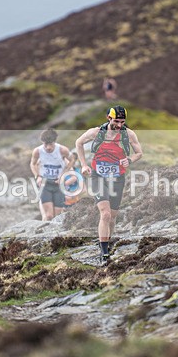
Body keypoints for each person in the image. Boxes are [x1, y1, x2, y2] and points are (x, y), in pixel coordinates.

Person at [75, 105, 143, 265]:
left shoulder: (128, 134)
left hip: (117, 178)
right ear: (108, 118)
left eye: (122, 121)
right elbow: (78, 143)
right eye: (116, 121)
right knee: (105, 214)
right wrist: (84, 165)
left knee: (112, 217)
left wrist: (130, 160)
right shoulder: (96, 133)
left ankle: (107, 240)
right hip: (97, 176)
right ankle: (104, 252)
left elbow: (139, 152)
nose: (119, 125)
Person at [30, 128, 73, 221]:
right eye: (46, 144)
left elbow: (72, 160)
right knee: (48, 216)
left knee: (56, 216)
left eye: (51, 144)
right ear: (43, 142)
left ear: (54, 142)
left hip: (58, 184)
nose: (48, 147)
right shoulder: (37, 151)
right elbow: (33, 164)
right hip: (45, 183)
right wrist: (38, 176)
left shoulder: (62, 150)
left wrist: (63, 175)